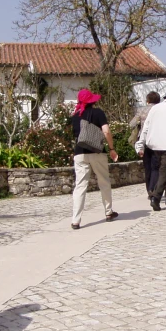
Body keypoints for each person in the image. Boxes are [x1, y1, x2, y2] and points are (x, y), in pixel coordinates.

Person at [71, 89, 119, 229]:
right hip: (97, 152)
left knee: (80, 186)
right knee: (104, 182)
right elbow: (106, 131)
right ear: (93, 101)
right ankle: (108, 212)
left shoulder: (75, 116)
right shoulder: (98, 113)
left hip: (80, 154)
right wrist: (111, 149)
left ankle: (76, 220)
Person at [129, 91, 161, 198]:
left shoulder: (141, 110)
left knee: (147, 167)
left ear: (147, 100)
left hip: (144, 141)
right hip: (158, 141)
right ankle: (153, 188)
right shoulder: (160, 110)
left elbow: (131, 124)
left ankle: (149, 190)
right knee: (156, 167)